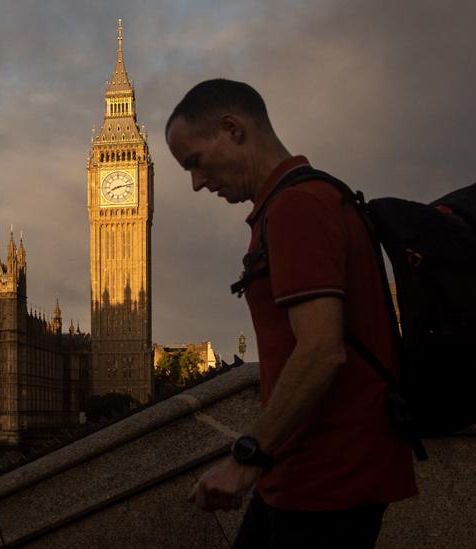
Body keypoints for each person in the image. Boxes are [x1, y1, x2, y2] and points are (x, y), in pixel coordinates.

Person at [165, 79, 416, 548]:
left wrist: (246, 456)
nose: (197, 183)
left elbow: (321, 350)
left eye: (195, 162)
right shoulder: (290, 201)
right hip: (299, 471)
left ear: (232, 129)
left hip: (326, 482)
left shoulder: (297, 205)